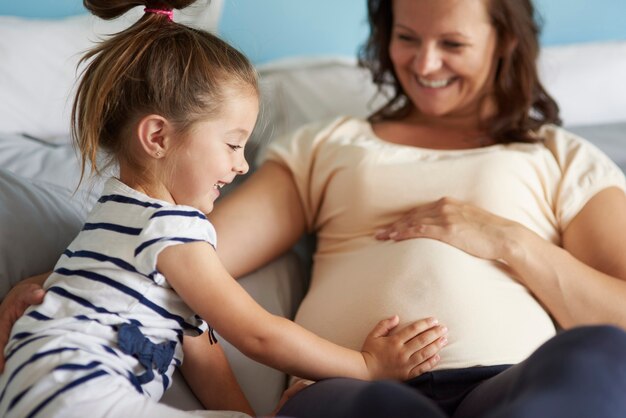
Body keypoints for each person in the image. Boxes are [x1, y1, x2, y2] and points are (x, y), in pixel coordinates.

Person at [2, 0, 626, 417]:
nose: (425, 63)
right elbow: (199, 250)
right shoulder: (329, 142)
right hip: (353, 392)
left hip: (509, 381)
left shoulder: (559, 155)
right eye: (407, 39)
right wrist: (69, 280)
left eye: (453, 43)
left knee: (599, 356)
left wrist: (511, 241)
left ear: (503, 43)